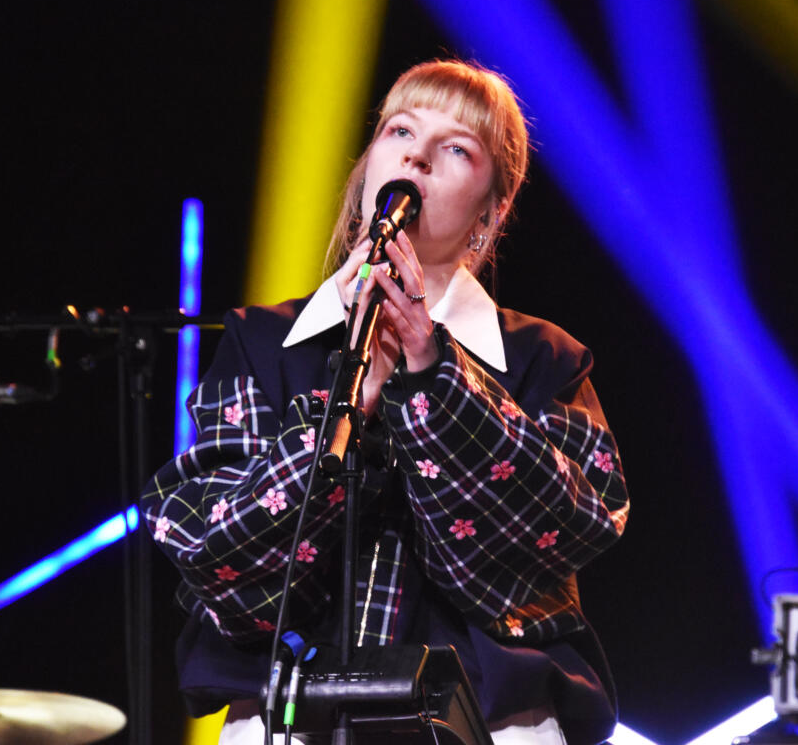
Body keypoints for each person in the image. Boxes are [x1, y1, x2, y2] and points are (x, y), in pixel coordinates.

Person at [143, 59, 629, 745]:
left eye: (456, 148)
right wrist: (351, 404)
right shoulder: (262, 341)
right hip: (289, 724)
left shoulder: (542, 358)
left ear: (491, 211)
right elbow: (208, 548)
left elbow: (572, 525)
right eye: (400, 130)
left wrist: (434, 372)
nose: (416, 156)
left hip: (491, 725)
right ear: (368, 165)